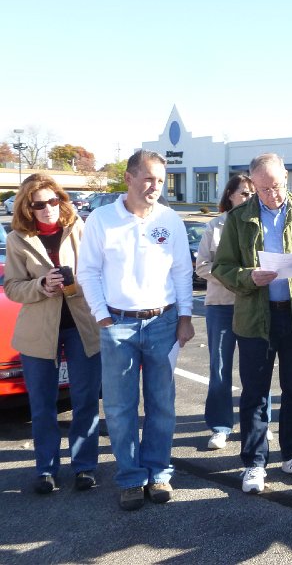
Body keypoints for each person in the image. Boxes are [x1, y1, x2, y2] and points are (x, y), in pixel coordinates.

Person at [77, 149, 195, 511]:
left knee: (162, 403)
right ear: (128, 178)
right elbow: (88, 271)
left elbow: (181, 271)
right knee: (119, 406)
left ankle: (159, 472)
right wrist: (103, 317)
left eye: (160, 180)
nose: (154, 186)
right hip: (118, 323)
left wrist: (185, 317)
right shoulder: (101, 219)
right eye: (147, 178)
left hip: (163, 321)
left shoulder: (170, 219)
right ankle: (130, 477)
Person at [212, 153, 292, 493]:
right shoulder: (239, 218)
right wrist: (249, 276)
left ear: (286, 177)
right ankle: (253, 462)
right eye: (263, 189)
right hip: (254, 319)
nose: (272, 195)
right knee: (255, 394)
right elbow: (222, 268)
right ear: (252, 185)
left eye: (277, 186)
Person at [4, 174, 101, 494]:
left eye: (53, 201)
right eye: (39, 204)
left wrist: (79, 284)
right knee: (43, 404)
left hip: (80, 326)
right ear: (28, 208)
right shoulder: (18, 238)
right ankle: (46, 468)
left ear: (62, 200)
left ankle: (85, 466)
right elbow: (12, 287)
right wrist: (41, 285)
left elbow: (96, 269)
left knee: (85, 399)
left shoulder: (79, 228)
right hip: (38, 331)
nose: (48, 209)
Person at [195, 174, 274, 450]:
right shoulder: (215, 226)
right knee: (220, 367)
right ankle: (220, 425)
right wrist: (236, 277)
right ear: (230, 195)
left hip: (255, 305)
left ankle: (261, 421)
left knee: (259, 368)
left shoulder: (261, 223)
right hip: (222, 306)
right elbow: (203, 266)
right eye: (243, 193)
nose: (249, 198)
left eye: (253, 193)